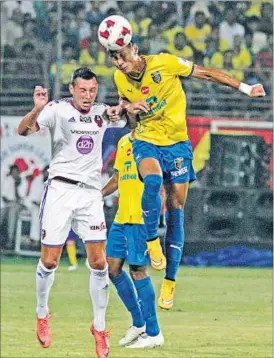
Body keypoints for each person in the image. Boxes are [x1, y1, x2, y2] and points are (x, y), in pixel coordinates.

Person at [107, 38, 265, 310]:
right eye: (113, 58)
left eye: (121, 55)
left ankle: (170, 281)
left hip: (177, 144)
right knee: (153, 180)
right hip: (146, 140)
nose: (119, 63)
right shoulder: (119, 78)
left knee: (176, 207)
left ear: (134, 48)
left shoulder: (165, 63)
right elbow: (128, 112)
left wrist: (245, 88)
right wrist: (125, 109)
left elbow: (206, 73)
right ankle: (151, 240)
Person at [17, 67, 126, 358]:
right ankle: (42, 313)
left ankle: (99, 328)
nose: (88, 96)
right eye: (82, 90)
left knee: (99, 262)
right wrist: (36, 109)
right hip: (61, 190)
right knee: (50, 261)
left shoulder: (103, 113)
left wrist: (130, 107)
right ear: (72, 89)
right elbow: (23, 130)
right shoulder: (56, 110)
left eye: (92, 90)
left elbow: (127, 117)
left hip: (90, 193)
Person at [102, 132, 164, 348]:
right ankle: (139, 324)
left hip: (140, 218)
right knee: (112, 268)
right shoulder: (123, 142)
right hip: (122, 217)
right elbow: (118, 179)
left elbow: (160, 184)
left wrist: (157, 216)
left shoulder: (156, 140)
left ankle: (154, 332)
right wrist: (97, 195)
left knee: (138, 271)